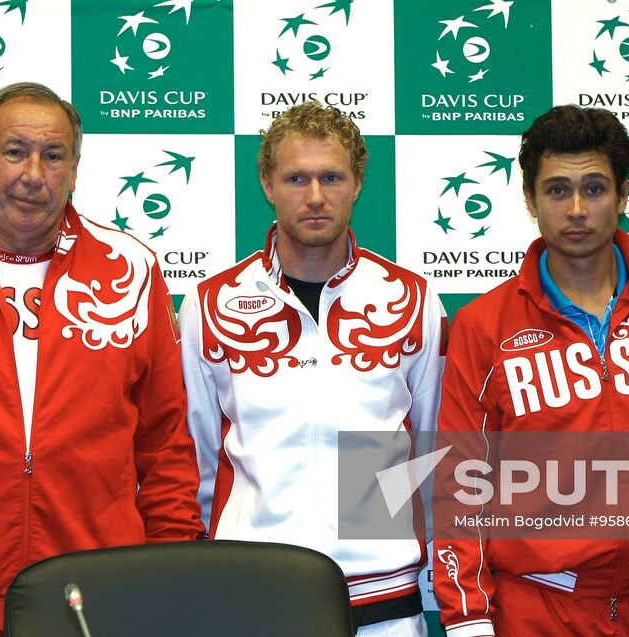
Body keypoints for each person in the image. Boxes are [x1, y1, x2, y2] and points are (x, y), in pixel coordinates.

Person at [0, 82, 202, 636]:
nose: (32, 175)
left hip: (92, 601)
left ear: (74, 172)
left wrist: (168, 574)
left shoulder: (132, 268)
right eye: (15, 151)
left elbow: (166, 441)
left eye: (53, 156)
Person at [432, 105, 629, 636]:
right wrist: (468, 618)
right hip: (538, 609)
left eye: (594, 188)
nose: (576, 210)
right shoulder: (483, 326)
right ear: (530, 199)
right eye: (557, 191)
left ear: (623, 194)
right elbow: (460, 483)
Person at [178, 101, 446, 637]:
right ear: (267, 184)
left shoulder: (412, 299)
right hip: (254, 591)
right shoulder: (210, 304)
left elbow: (434, 449)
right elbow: (196, 458)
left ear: (358, 183)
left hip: (386, 601)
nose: (316, 196)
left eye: (332, 177)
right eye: (297, 178)